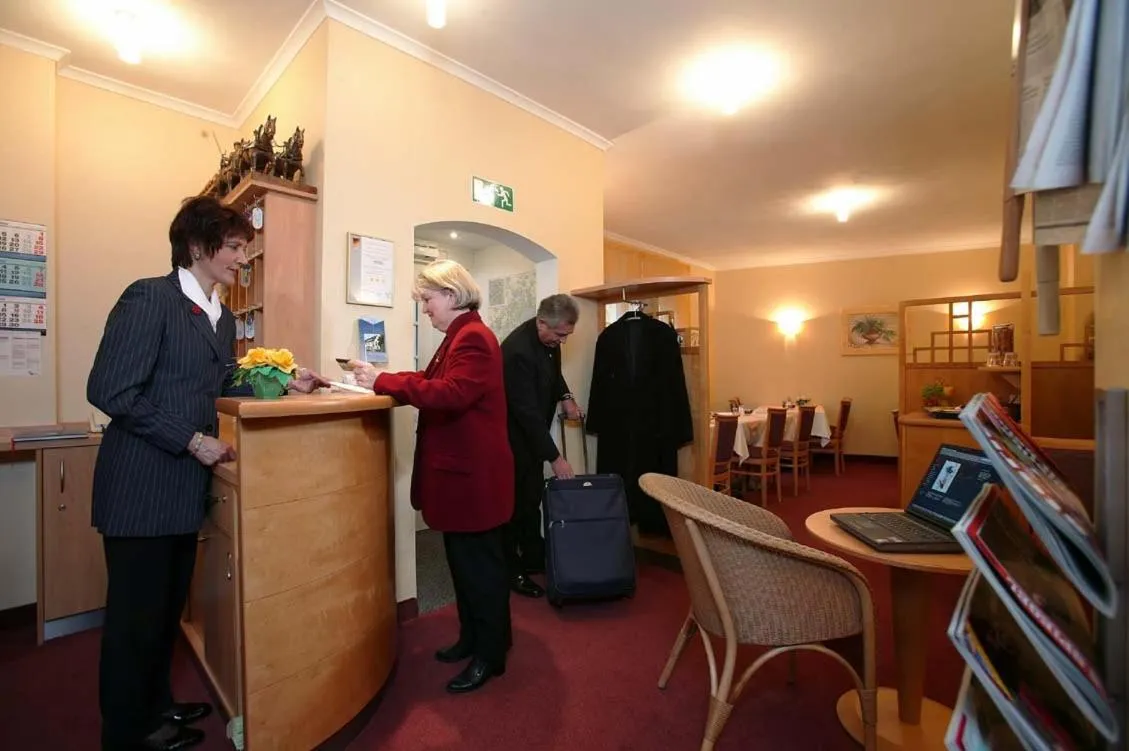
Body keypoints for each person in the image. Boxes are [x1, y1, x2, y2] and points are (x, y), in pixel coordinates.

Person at [87, 196, 325, 751]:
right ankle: (126, 732)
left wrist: (284, 383)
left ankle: (157, 706)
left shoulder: (217, 317)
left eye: (246, 247)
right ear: (197, 247)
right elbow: (109, 390)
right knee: (134, 621)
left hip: (181, 489)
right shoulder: (150, 298)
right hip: (140, 487)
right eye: (236, 247)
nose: (244, 257)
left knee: (166, 610)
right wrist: (191, 440)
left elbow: (221, 383)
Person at [351, 259, 513, 694]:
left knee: (481, 571)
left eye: (427, 299)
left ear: (452, 295)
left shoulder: (474, 338)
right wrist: (377, 379)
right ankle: (472, 637)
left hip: (473, 480)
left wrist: (383, 380)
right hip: (462, 479)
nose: (424, 309)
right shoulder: (459, 336)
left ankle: (490, 655)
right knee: (463, 567)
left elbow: (453, 393)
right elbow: (427, 379)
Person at [499, 294, 583, 598]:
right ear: (541, 322)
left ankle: (534, 557)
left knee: (531, 498)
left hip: (531, 437)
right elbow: (527, 414)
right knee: (511, 507)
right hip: (510, 438)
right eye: (560, 335)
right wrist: (555, 458)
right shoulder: (515, 352)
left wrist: (566, 395)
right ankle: (512, 570)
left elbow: (553, 372)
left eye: (567, 336)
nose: (563, 342)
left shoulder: (549, 341)